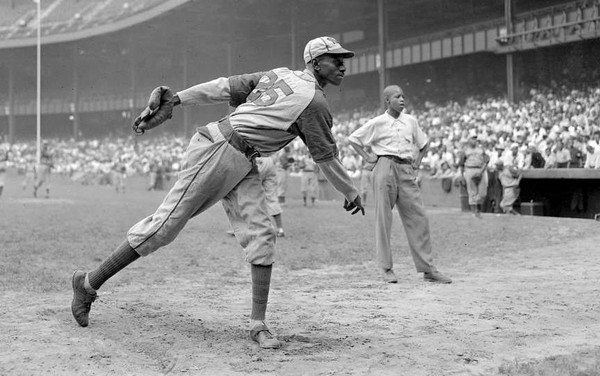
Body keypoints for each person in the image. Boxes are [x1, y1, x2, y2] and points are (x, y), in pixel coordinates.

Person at [70, 36, 364, 350]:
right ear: (316, 63)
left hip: (244, 159)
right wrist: (350, 191)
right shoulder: (314, 102)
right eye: (336, 59)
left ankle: (258, 324)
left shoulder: (278, 74)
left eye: (343, 59)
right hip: (219, 149)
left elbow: (224, 86)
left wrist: (178, 98)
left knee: (263, 234)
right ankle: (87, 283)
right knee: (164, 227)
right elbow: (326, 159)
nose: (343, 65)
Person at [348, 85, 451, 285]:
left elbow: (424, 143)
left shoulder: (410, 121)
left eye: (403, 96)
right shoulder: (378, 122)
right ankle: (386, 268)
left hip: (406, 169)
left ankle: (428, 269)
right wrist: (368, 156)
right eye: (397, 96)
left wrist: (418, 161)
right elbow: (353, 139)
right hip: (384, 166)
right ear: (387, 100)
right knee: (383, 219)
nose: (402, 99)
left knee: (419, 217)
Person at [458, 134, 489, 218]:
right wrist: (461, 175)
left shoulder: (481, 150)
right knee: (472, 192)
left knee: (482, 193)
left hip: (480, 169)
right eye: (472, 139)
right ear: (469, 140)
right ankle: (474, 212)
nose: (474, 140)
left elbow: (486, 160)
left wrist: (482, 171)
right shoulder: (465, 151)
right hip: (469, 169)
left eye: (475, 139)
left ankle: (478, 210)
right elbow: (461, 164)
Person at [256, 155, 286, 237]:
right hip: (269, 160)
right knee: (272, 198)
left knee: (248, 195)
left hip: (256, 159)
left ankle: (244, 228)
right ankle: (280, 229)